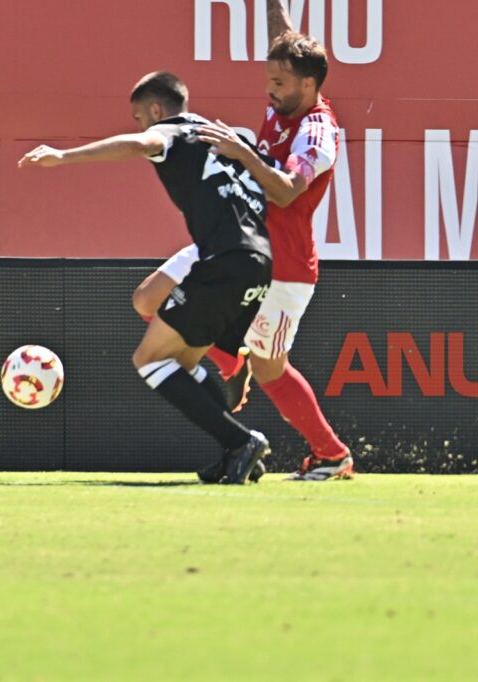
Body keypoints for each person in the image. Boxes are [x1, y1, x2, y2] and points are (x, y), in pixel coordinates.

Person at [132, 1, 353, 481]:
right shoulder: (290, 89)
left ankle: (332, 455)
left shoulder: (318, 132)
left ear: (309, 86)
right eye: (269, 81)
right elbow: (283, 37)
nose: (268, 91)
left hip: (282, 265)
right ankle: (231, 364)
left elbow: (289, 189)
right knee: (148, 298)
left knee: (273, 371)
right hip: (234, 238)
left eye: (278, 84)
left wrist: (241, 153)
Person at [19, 72, 273, 484]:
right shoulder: (215, 135)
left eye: (140, 117)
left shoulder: (169, 133)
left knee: (149, 359)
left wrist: (64, 157)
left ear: (156, 110)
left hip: (224, 261)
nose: (141, 126)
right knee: (182, 361)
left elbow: (140, 144)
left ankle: (242, 441)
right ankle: (235, 451)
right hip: (259, 261)